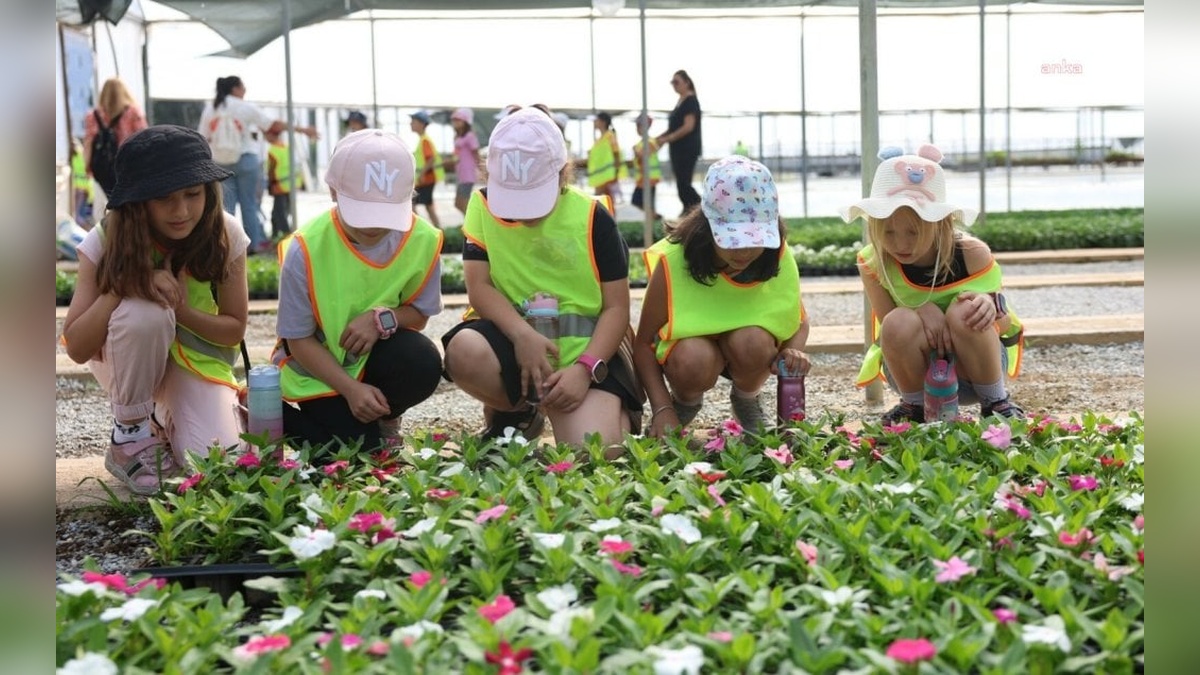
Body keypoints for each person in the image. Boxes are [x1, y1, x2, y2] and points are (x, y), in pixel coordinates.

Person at [440, 106, 643, 449]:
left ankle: (598, 404)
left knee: (594, 451)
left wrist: (585, 368)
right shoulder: (481, 206)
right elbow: (479, 287)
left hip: (588, 350)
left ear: (563, 172)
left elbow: (616, 309)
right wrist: (522, 336)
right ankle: (520, 411)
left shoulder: (594, 217)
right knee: (464, 352)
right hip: (516, 344)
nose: (523, 213)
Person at [61, 125, 249, 495]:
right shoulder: (105, 239)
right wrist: (124, 287)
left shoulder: (225, 233)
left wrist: (180, 309)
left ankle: (164, 420)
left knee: (218, 463)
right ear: (138, 201)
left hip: (195, 366)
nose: (181, 211)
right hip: (126, 363)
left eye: (193, 194)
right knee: (144, 313)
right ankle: (129, 434)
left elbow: (234, 329)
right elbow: (77, 347)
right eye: (164, 199)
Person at [272, 129, 445, 458]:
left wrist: (381, 318)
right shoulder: (306, 248)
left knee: (421, 361)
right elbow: (298, 340)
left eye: (384, 212)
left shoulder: (421, 239)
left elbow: (419, 315)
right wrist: (350, 389)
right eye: (362, 211)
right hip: (318, 372)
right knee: (353, 455)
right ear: (333, 191)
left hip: (373, 360)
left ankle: (383, 418)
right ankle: (265, 412)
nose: (373, 226)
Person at [842, 144, 1025, 425]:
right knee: (898, 321)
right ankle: (914, 407)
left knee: (966, 310)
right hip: (914, 374)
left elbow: (1000, 324)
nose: (900, 244)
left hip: (975, 372)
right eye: (888, 231)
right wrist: (921, 309)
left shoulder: (973, 254)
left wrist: (987, 306)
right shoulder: (873, 262)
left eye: (914, 232)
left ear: (940, 224)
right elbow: (887, 326)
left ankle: (995, 402)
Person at [634, 156, 809, 436]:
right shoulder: (674, 261)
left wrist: (793, 350)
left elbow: (797, 319)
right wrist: (662, 407)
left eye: (755, 240)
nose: (744, 252)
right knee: (695, 357)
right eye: (732, 240)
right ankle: (685, 403)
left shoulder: (775, 254)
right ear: (708, 224)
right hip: (691, 354)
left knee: (753, 340)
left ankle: (746, 398)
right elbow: (642, 342)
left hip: (747, 350)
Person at [198, 75, 318, 254]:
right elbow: (273, 125)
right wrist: (303, 130)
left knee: (225, 207)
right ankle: (252, 245)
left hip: (220, 162)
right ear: (235, 89)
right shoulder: (244, 107)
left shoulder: (211, 108)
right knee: (249, 204)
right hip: (246, 158)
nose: (245, 91)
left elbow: (202, 136)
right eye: (243, 87)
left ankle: (225, 244)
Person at [83, 77, 148, 210]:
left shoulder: (93, 116)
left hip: (102, 170)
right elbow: (145, 139)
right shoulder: (133, 112)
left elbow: (88, 143)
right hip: (129, 167)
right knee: (129, 206)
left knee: (105, 207)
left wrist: (88, 168)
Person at [655, 69, 702, 215]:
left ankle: (700, 208)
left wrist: (668, 139)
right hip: (677, 149)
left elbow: (688, 126)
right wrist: (659, 139)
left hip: (686, 149)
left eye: (677, 82)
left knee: (684, 184)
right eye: (672, 82)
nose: (674, 85)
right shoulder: (680, 102)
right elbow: (673, 127)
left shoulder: (690, 101)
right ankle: (689, 210)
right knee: (681, 184)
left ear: (687, 82)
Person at [263, 128, 305, 241]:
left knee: (279, 213)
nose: (265, 137)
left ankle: (286, 236)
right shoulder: (287, 147)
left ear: (271, 135)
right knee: (281, 211)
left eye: (266, 135)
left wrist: (270, 184)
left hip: (279, 185)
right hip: (291, 184)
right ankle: (276, 235)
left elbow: (271, 169)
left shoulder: (273, 150)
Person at [410, 110, 444, 228]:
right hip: (426, 178)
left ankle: (420, 228)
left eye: (413, 122)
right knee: (428, 205)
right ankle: (438, 230)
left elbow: (431, 159)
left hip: (426, 179)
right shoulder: (423, 139)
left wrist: (421, 175)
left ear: (422, 124)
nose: (411, 124)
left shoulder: (425, 140)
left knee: (412, 204)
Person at [629, 112, 661, 223]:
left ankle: (654, 222)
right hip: (642, 180)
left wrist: (636, 151)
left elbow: (644, 155)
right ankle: (654, 219)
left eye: (638, 126)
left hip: (648, 179)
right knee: (639, 203)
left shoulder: (650, 142)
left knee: (644, 204)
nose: (637, 129)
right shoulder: (642, 143)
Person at [449, 107, 481, 215]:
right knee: (458, 204)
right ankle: (469, 224)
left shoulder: (470, 136)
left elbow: (476, 154)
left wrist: (483, 170)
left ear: (466, 121)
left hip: (468, 175)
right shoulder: (457, 137)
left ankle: (470, 226)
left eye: (459, 119)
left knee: (463, 203)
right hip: (460, 174)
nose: (455, 122)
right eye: (454, 119)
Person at [586, 111, 624, 203]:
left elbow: (616, 153)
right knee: (604, 201)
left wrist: (616, 173)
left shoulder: (610, 136)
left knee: (602, 201)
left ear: (603, 122)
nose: (594, 122)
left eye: (596, 120)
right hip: (601, 176)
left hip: (608, 176)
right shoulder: (600, 139)